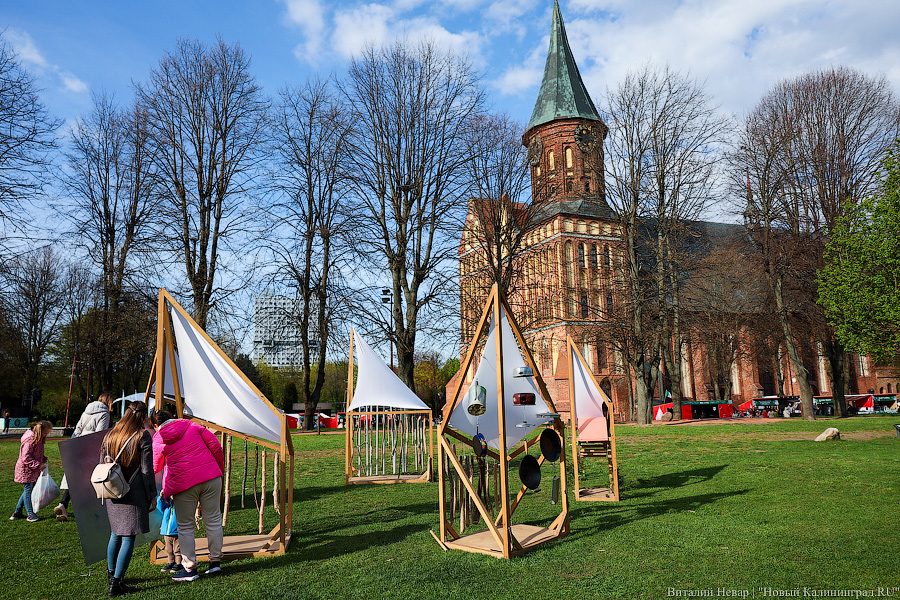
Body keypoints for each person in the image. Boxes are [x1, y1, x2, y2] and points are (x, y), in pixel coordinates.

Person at [151, 410, 224, 582]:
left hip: (183, 485)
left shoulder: (158, 438)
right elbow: (216, 447)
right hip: (211, 477)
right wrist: (218, 471)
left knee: (185, 527)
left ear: (155, 425)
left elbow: (155, 467)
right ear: (171, 418)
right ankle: (215, 562)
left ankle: (190, 569)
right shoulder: (193, 425)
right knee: (213, 520)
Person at [103, 401, 156, 597]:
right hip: (133, 492)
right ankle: (116, 584)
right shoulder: (142, 436)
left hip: (112, 489)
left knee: (115, 533)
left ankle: (112, 576)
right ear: (143, 417)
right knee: (129, 536)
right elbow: (146, 470)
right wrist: (152, 495)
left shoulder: (111, 434)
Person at [55, 392, 114, 521]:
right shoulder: (104, 414)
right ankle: (89, 510)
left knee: (75, 479)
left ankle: (63, 504)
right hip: (90, 450)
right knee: (90, 480)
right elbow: (99, 435)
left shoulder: (86, 412)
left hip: (77, 447)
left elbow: (77, 430)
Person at [11, 420, 52, 522]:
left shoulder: (38, 439)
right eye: (46, 433)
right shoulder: (30, 440)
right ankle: (30, 514)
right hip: (26, 469)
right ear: (40, 431)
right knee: (28, 490)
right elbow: (26, 457)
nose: (46, 435)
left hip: (31, 469)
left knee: (28, 490)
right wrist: (38, 465)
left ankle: (17, 512)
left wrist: (42, 458)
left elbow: (35, 453)